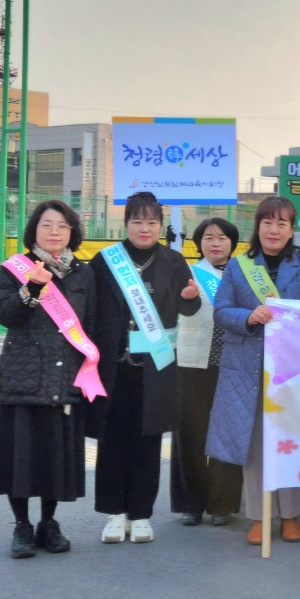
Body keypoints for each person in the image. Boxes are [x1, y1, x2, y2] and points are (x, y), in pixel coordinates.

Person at [206, 196, 300, 546]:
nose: (274, 230)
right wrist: (247, 317)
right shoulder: (238, 265)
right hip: (246, 367)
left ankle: (290, 515)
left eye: (282, 223)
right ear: (258, 227)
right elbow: (221, 310)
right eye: (268, 223)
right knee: (255, 443)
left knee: (289, 441)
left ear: (292, 230)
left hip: (291, 367)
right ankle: (259, 516)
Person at [89, 191, 201, 544]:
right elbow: (90, 308)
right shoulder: (106, 260)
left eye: (152, 221)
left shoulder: (173, 261)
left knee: (148, 442)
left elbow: (189, 311)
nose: (144, 227)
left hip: (155, 368)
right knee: (112, 441)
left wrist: (191, 299)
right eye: (137, 220)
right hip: (113, 367)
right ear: (126, 224)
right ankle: (113, 514)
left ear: (161, 225)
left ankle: (140, 514)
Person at [0, 200, 98, 558]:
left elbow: (91, 322)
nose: (54, 232)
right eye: (47, 225)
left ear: (72, 233)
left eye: (62, 226)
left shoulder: (82, 273)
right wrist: (31, 289)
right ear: (34, 230)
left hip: (65, 373)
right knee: (19, 456)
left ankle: (48, 524)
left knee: (55, 456)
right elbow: (6, 315)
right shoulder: (15, 269)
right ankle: (22, 526)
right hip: (23, 376)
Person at [170, 218, 243, 527]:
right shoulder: (187, 273)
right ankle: (191, 504)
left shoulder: (244, 275)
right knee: (190, 433)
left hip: (234, 365)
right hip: (192, 363)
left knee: (229, 435)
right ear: (198, 243)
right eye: (209, 237)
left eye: (223, 237)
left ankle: (222, 504)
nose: (216, 242)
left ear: (233, 243)